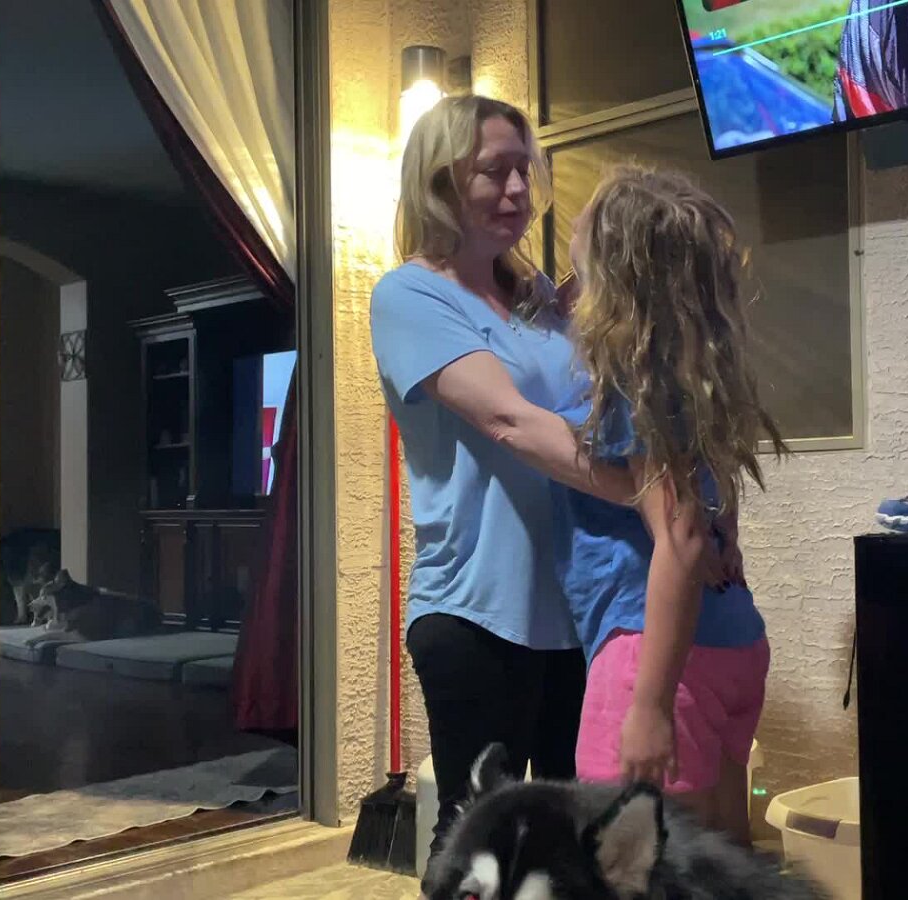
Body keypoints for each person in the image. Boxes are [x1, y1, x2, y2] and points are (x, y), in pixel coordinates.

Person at [369, 97, 732, 855]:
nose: (517, 191)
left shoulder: (544, 299)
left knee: (575, 844)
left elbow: (631, 401)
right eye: (492, 172)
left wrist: (699, 512)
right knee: (477, 840)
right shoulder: (409, 295)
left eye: (523, 171)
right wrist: (663, 504)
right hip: (477, 611)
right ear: (439, 182)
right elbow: (511, 422)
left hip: (578, 613)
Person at [556, 166, 785, 846]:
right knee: (722, 864)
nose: (570, 227)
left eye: (583, 220)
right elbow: (712, 512)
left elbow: (680, 538)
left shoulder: (628, 378)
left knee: (632, 868)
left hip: (654, 658)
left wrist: (649, 707)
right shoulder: (693, 376)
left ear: (612, 260)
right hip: (735, 642)